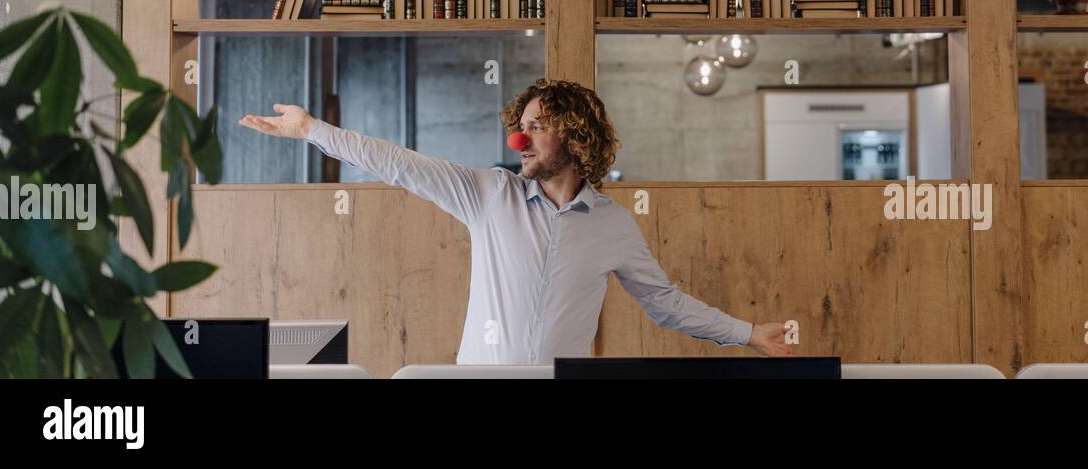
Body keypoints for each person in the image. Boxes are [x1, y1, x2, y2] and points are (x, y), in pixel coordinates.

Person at [240, 76, 792, 364]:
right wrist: (312, 130)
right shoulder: (486, 193)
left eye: (536, 127)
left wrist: (748, 335)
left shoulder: (613, 227)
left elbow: (666, 305)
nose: (518, 140)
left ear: (575, 137)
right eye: (519, 125)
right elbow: (400, 164)